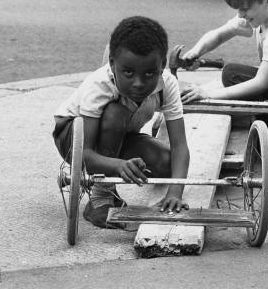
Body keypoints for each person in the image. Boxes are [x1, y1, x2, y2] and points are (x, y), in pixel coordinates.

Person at [53, 16, 190, 229]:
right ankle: (100, 198)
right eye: (128, 72)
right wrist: (117, 166)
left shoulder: (167, 85)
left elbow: (180, 146)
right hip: (72, 138)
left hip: (121, 135)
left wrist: (175, 192)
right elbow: (86, 154)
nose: (138, 83)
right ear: (112, 64)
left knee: (166, 164)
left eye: (149, 73)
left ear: (162, 66)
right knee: (116, 113)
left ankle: (114, 172)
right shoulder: (100, 86)